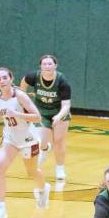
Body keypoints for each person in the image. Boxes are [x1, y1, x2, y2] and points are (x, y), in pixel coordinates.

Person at [0, 67, 50, 218]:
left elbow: (37, 117)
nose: (2, 81)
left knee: (32, 172)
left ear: (11, 79)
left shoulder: (20, 96)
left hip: (28, 140)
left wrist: (17, 114)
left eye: (4, 78)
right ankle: (0, 207)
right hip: (10, 139)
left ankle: (43, 190)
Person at [20, 54, 71, 182]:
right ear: (40, 66)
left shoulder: (62, 81)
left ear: (55, 66)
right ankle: (44, 148)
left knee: (58, 141)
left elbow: (66, 105)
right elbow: (24, 82)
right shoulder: (34, 76)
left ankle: (60, 169)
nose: (47, 66)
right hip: (41, 112)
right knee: (41, 140)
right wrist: (23, 97)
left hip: (59, 112)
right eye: (44, 64)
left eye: (50, 64)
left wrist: (59, 116)